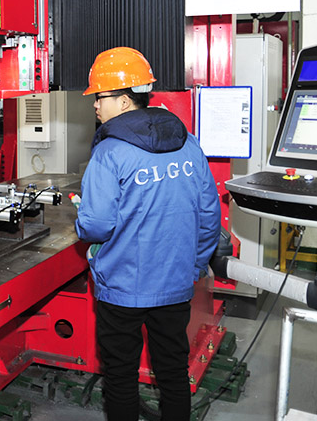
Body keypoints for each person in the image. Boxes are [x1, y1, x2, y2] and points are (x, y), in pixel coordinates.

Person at [74, 47, 220, 421]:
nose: (95, 105)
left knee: (121, 375)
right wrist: (194, 266)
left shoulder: (109, 152)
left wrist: (82, 222)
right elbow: (209, 215)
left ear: (124, 101)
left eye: (100, 97)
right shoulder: (189, 144)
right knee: (173, 370)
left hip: (122, 287)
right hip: (175, 283)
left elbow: (96, 225)